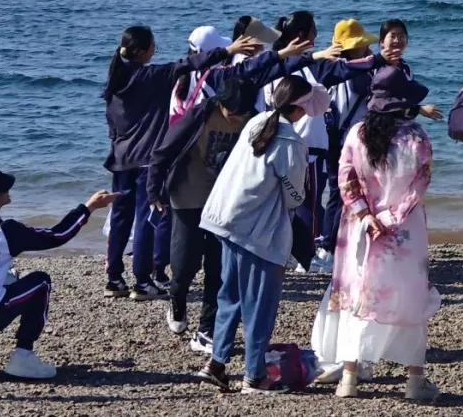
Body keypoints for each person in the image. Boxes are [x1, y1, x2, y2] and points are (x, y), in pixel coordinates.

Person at [312, 65, 440, 403]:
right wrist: (393, 217)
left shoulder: (357, 134)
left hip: (361, 228)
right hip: (405, 230)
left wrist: (367, 215)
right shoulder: (417, 137)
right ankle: (414, 381)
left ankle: (349, 379)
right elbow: (420, 184)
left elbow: (346, 181)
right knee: (411, 297)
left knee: (359, 297)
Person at [103, 25, 259, 300]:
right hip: (144, 158)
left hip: (120, 156)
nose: (155, 51)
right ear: (141, 53)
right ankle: (142, 281)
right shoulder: (149, 75)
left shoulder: (116, 79)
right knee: (145, 219)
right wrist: (229, 51)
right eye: (153, 47)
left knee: (120, 218)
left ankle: (114, 278)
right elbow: (189, 63)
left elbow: (112, 122)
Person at [149, 72, 295, 356]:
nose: (235, 119)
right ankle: (176, 299)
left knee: (218, 267)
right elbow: (163, 153)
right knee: (185, 263)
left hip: (226, 201)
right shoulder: (199, 115)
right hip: (188, 195)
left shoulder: (254, 119)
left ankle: (206, 330)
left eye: (241, 114)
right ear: (220, 102)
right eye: (231, 112)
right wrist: (154, 192)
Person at [196, 75, 311, 394]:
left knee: (229, 295)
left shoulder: (256, 122)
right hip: (256, 230)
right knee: (260, 303)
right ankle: (254, 375)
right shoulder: (291, 142)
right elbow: (295, 196)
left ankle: (217, 363)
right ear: (299, 108)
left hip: (226, 219)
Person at [260, 11, 396, 272]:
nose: (315, 35)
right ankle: (308, 256)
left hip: (284, 140)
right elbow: (343, 73)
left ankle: (291, 250)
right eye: (312, 30)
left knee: (292, 199)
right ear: (301, 34)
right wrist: (377, 59)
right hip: (306, 144)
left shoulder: (282, 62)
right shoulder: (318, 66)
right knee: (308, 201)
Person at [0, 163, 118, 379]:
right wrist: (89, 207)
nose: (8, 191)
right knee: (40, 282)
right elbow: (58, 235)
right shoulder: (4, 231)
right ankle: (23, 357)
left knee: (6, 278)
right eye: (5, 188)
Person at [319, 19, 441, 272]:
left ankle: (377, 241)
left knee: (379, 192)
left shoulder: (401, 68)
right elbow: (381, 100)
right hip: (360, 136)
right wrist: (417, 108)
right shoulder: (362, 68)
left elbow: (395, 100)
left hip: (384, 137)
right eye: (391, 36)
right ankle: (329, 247)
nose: (396, 41)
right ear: (382, 41)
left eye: (401, 36)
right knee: (344, 192)